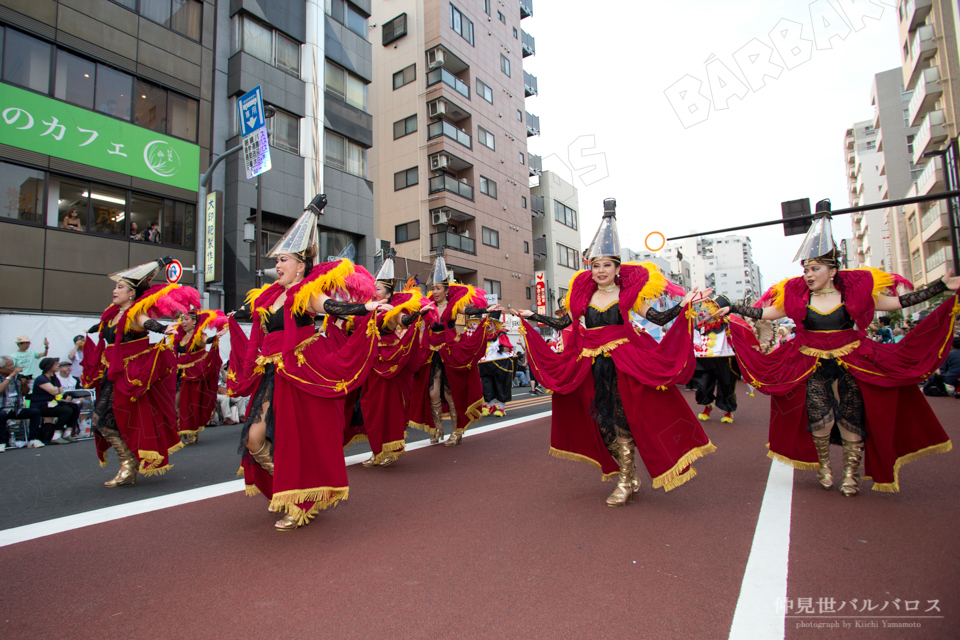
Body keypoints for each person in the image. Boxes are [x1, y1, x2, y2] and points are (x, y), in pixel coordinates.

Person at [715, 199, 959, 496]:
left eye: (814, 268)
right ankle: (825, 467)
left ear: (831, 271)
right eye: (805, 269)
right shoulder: (798, 297)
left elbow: (898, 302)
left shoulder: (857, 293)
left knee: (851, 419)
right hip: (810, 362)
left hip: (854, 361)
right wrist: (732, 308)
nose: (807, 274)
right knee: (820, 419)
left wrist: (940, 288)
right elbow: (766, 313)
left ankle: (851, 474)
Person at [510, 198, 716, 507]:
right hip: (590, 364)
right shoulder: (583, 296)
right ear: (590, 269)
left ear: (617, 268)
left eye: (607, 264)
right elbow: (563, 321)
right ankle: (628, 473)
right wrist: (532, 317)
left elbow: (658, 318)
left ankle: (624, 482)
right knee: (602, 423)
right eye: (596, 265)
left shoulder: (629, 295)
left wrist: (685, 304)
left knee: (622, 420)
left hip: (624, 363)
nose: (601, 270)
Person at [226, 195, 388, 531]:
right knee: (255, 440)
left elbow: (332, 307)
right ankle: (289, 491)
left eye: (283, 260)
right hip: (272, 372)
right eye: (278, 261)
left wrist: (365, 309)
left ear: (300, 266)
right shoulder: (269, 295)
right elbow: (248, 316)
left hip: (301, 370)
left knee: (295, 439)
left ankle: (299, 501)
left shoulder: (307, 292)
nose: (278, 266)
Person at [81, 256, 198, 487]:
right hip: (111, 372)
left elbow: (147, 323)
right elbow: (102, 328)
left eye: (120, 287)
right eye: (116, 287)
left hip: (129, 374)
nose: (115, 290)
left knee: (107, 419)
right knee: (102, 420)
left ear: (132, 293)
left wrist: (164, 327)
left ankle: (128, 465)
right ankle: (128, 462)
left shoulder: (134, 313)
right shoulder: (111, 314)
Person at [407, 248, 494, 446]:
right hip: (431, 354)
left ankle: (456, 431)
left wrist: (486, 310)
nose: (435, 292)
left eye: (438, 288)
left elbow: (470, 310)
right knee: (432, 393)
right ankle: (438, 429)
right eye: (433, 288)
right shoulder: (427, 306)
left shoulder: (455, 306)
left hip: (450, 353)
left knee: (449, 392)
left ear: (446, 290)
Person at [349, 250, 425, 467]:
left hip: (390, 364)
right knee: (370, 407)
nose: (374, 292)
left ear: (389, 294)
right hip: (369, 364)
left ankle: (391, 449)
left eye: (378, 289)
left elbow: (404, 319)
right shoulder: (366, 310)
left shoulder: (391, 311)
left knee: (388, 408)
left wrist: (415, 316)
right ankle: (376, 450)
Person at [167, 309, 228, 445]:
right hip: (179, 373)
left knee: (191, 403)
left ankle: (193, 432)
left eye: (186, 319)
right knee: (176, 403)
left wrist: (217, 336)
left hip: (194, 374)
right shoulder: (179, 336)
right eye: (181, 319)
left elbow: (208, 340)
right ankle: (178, 428)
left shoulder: (199, 336)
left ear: (194, 322)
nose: (183, 322)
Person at [691, 294, 740, 423]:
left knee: (727, 385)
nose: (702, 313)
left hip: (725, 358)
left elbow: (738, 339)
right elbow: (695, 342)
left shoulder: (727, 325)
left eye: (706, 310)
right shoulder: (699, 327)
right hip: (704, 359)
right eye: (703, 309)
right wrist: (698, 348)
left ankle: (728, 411)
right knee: (703, 385)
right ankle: (707, 406)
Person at [30, 357, 81, 444]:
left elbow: (61, 393)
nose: (58, 366)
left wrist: (66, 397)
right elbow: (54, 391)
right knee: (66, 411)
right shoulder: (41, 379)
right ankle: (56, 435)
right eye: (56, 364)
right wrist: (59, 392)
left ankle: (67, 433)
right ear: (49, 366)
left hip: (52, 403)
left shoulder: (54, 378)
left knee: (75, 407)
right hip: (41, 405)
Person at [0, 356, 44, 451]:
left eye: (13, 364)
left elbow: (25, 393)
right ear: (1, 368)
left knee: (35, 412)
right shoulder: (10, 376)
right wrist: (10, 376)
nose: (13, 367)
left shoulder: (17, 377)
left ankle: (33, 439)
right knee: (1, 415)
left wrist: (24, 385)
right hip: (2, 408)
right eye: (9, 365)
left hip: (16, 408)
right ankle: (2, 442)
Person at [479, 320, 514, 417]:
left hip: (500, 363)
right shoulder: (484, 335)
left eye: (490, 323)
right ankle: (492, 406)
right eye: (486, 323)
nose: (488, 325)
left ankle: (502, 409)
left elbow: (508, 348)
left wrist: (499, 349)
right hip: (486, 363)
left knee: (501, 385)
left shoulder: (501, 335)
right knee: (487, 386)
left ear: (495, 325)